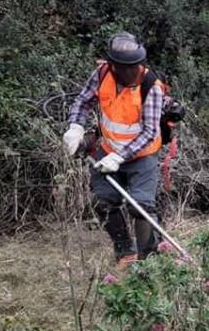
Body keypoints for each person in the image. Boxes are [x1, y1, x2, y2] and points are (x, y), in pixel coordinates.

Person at [62, 32, 164, 268]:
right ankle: (124, 250)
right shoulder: (102, 74)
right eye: (126, 67)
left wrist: (120, 156)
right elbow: (83, 101)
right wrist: (76, 127)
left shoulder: (152, 87)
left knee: (141, 206)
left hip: (141, 155)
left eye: (135, 66)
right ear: (114, 65)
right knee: (103, 201)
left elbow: (149, 132)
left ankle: (148, 260)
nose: (132, 72)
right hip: (106, 149)